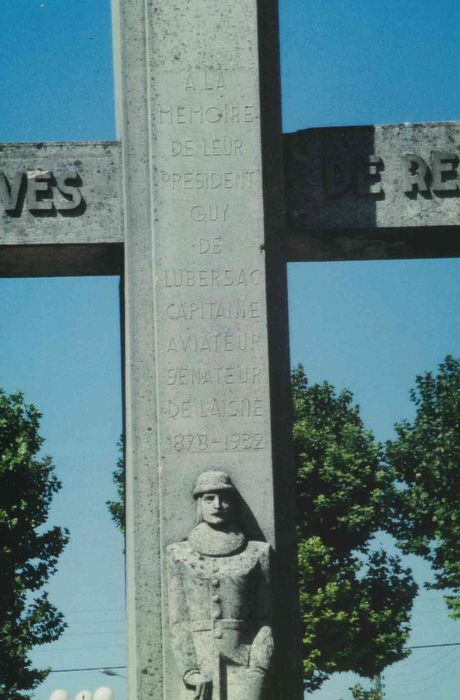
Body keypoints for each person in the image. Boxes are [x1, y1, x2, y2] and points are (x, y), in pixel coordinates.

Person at [167, 470, 273, 700]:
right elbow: (178, 621)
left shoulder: (258, 552)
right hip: (200, 665)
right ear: (199, 503)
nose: (218, 505)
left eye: (224, 498)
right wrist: (190, 671)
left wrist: (258, 665)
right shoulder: (179, 554)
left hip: (245, 662)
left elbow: (264, 618)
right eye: (209, 498)